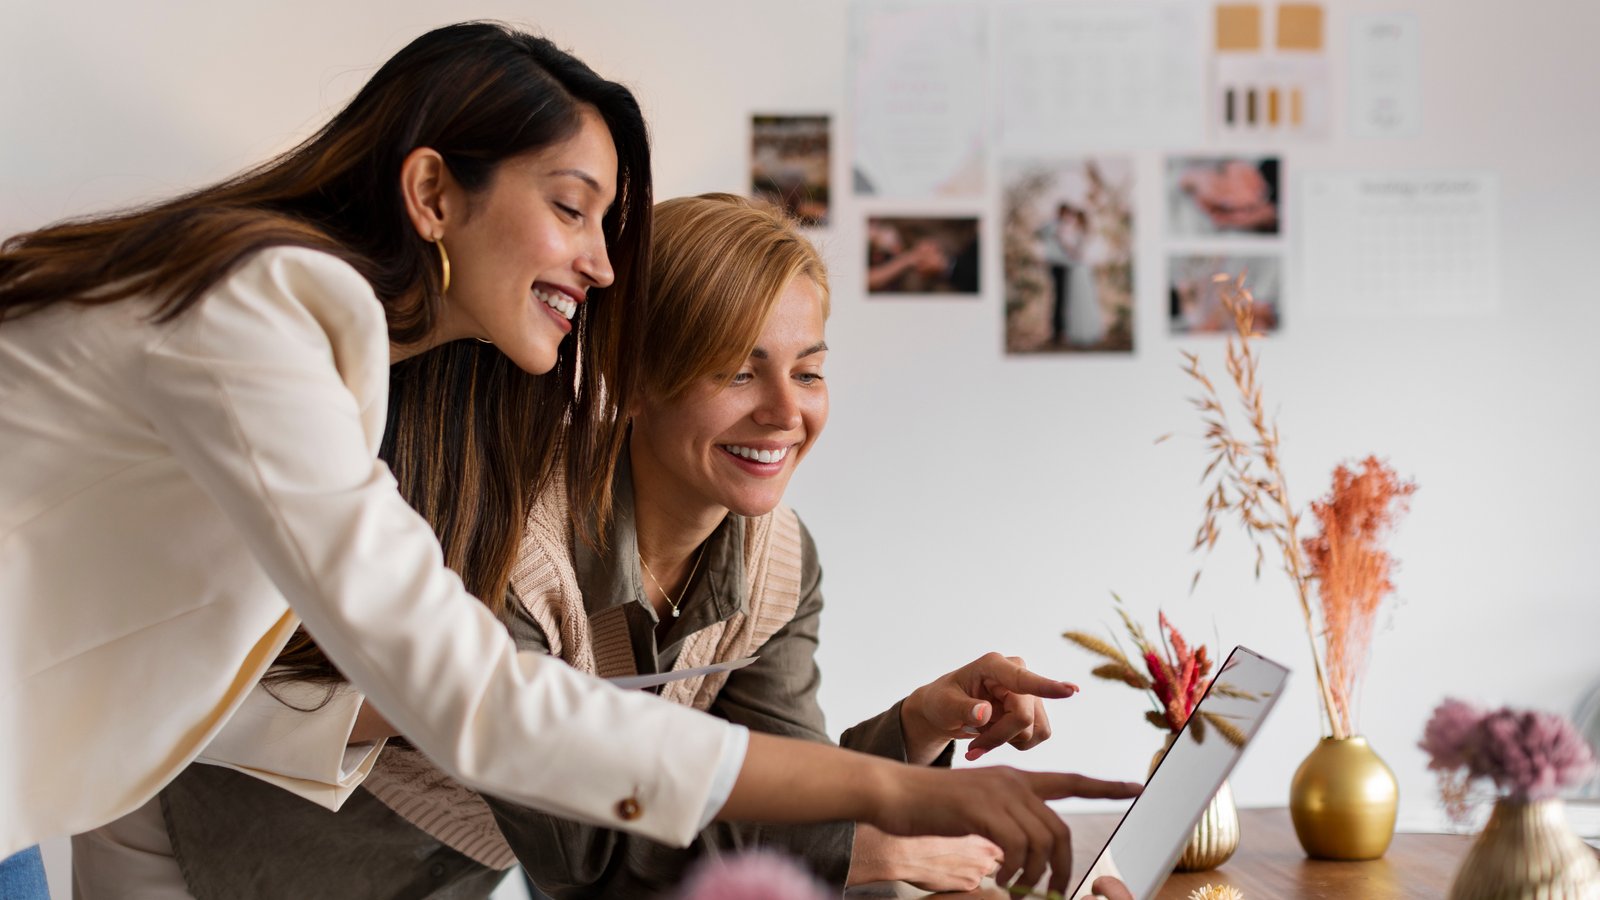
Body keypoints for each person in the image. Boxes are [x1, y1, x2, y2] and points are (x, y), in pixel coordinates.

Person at [0, 21, 1135, 899]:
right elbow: (492, 718)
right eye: (573, 209)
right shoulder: (267, 323)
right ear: (433, 194)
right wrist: (890, 803)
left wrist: (906, 757)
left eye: (608, 225)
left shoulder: (375, 381)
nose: (601, 265)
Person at [152, 195, 1106, 900]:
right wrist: (871, 847)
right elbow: (593, 860)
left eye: (810, 372)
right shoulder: (514, 548)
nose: (786, 412)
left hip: (459, 870)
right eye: (738, 372)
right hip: (262, 858)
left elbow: (779, 781)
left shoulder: (777, 557)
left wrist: (918, 729)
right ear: (637, 380)